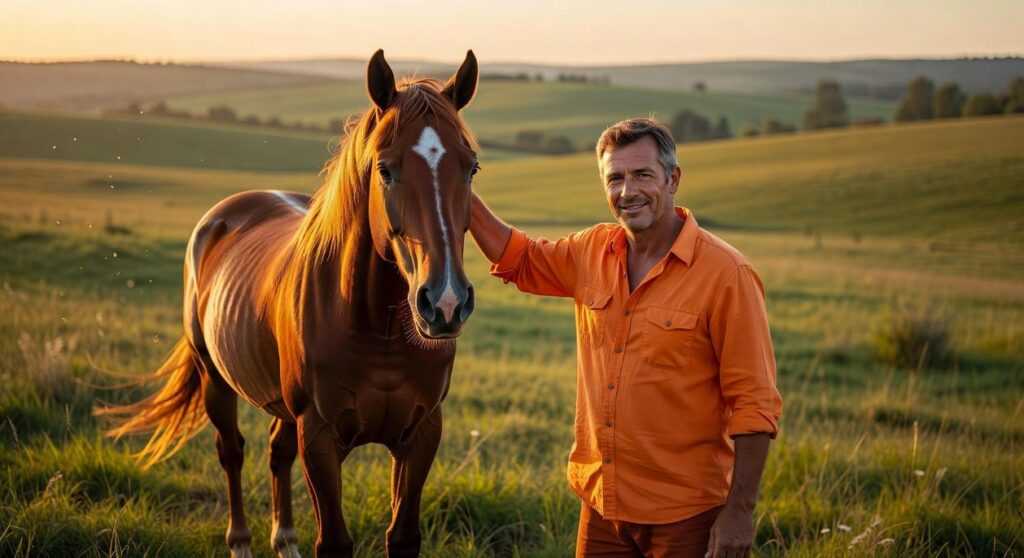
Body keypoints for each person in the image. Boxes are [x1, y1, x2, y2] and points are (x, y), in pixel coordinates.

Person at [469, 118, 783, 558]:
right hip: (603, 507)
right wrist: (457, 189)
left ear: (672, 179)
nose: (627, 191)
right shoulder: (591, 251)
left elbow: (754, 403)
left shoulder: (727, 275)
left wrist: (740, 512)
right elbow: (519, 259)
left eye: (642, 175)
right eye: (614, 178)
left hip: (686, 515)